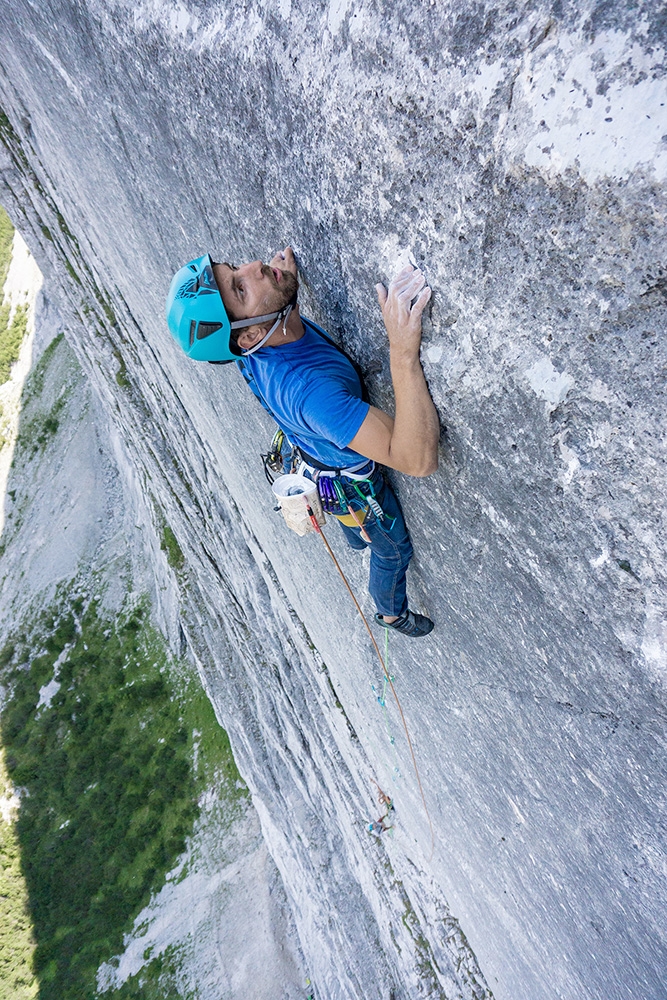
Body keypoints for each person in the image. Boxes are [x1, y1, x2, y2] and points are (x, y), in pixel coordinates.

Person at [166, 247, 440, 637]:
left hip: (315, 451)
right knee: (392, 550)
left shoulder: (250, 343)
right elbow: (417, 460)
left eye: (236, 269)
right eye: (240, 288)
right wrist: (402, 351)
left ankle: (357, 537)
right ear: (252, 335)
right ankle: (390, 613)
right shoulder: (310, 393)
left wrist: (280, 288)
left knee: (359, 527)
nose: (254, 267)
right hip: (348, 480)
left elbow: (260, 323)